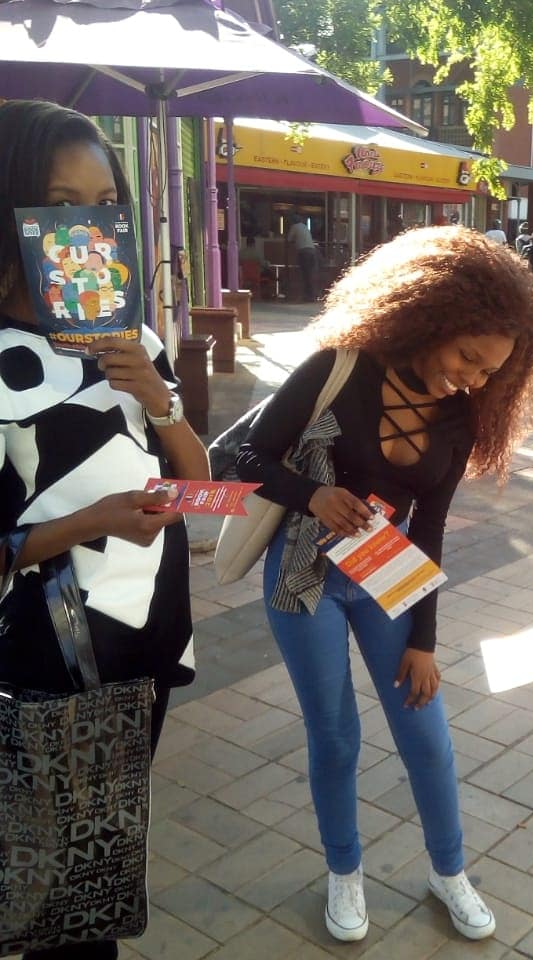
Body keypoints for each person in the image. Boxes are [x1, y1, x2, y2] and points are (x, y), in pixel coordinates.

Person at [235, 226, 533, 944]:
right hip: (303, 579)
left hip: (387, 581)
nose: (472, 377)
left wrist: (425, 641)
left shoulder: (463, 416)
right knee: (336, 737)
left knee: (427, 737)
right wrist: (310, 496)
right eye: (468, 356)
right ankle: (344, 874)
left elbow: (430, 528)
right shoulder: (336, 368)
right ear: (431, 316)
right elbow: (242, 454)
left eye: (489, 371)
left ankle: (449, 872)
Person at [0, 100, 210, 960]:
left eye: (102, 205)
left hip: (144, 639)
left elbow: (198, 485)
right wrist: (92, 521)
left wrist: (159, 403)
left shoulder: (136, 338)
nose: (85, 228)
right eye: (60, 201)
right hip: (46, 656)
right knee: (56, 891)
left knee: (99, 861)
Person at [286, 213, 318, 303]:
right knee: (310, 274)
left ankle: (308, 296)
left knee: (305, 274)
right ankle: (312, 295)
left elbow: (289, 239)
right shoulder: (304, 226)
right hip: (312, 251)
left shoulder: (294, 227)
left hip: (304, 252)